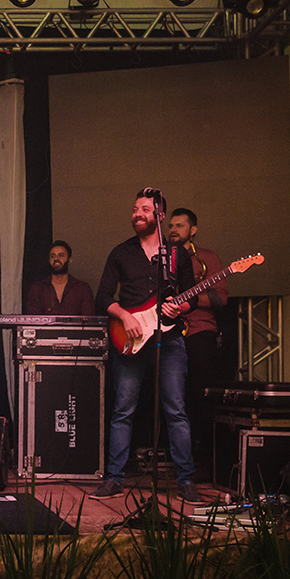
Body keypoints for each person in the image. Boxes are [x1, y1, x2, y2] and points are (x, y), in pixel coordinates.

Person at [91, 188, 203, 504]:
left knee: (176, 410)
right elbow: (103, 297)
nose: (137, 214)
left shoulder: (176, 254)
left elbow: (192, 297)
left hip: (169, 340)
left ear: (160, 215)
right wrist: (124, 315)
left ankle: (186, 481)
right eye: (135, 209)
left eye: (144, 209)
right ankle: (114, 478)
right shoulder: (121, 253)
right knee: (123, 409)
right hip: (131, 339)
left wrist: (180, 308)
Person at [167, 208, 228, 462]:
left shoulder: (207, 258)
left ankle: (203, 455)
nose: (173, 230)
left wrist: (187, 301)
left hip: (199, 330)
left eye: (179, 226)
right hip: (168, 332)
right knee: (169, 395)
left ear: (193, 230)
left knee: (200, 393)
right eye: (171, 226)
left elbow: (220, 298)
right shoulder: (161, 258)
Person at [24, 239, 96, 316]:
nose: (56, 259)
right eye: (52, 256)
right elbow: (33, 320)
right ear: (49, 261)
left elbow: (89, 320)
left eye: (61, 255)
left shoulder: (82, 289)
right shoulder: (38, 289)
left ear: (70, 260)